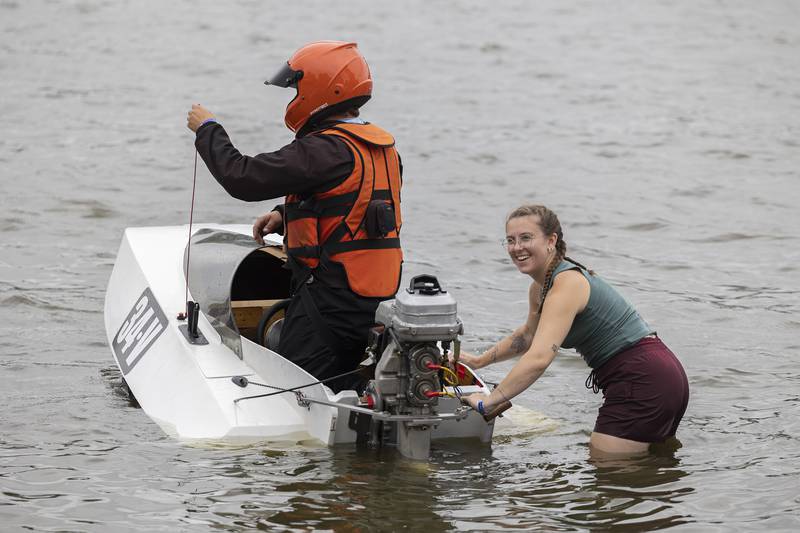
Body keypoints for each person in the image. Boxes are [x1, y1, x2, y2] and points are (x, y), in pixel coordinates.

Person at [186, 41, 403, 392]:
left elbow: (241, 178)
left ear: (322, 88)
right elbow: (354, 207)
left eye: (296, 87)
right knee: (342, 380)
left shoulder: (324, 148)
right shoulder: (381, 148)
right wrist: (286, 214)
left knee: (294, 391)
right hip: (375, 300)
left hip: (329, 302)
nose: (294, 95)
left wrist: (208, 129)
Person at [457, 205, 689, 455]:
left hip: (642, 379)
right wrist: (478, 362)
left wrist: (490, 400)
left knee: (606, 469)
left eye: (526, 238)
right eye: (510, 240)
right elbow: (527, 335)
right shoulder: (542, 287)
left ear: (551, 240)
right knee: (650, 468)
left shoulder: (566, 284)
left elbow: (539, 358)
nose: (517, 247)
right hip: (660, 374)